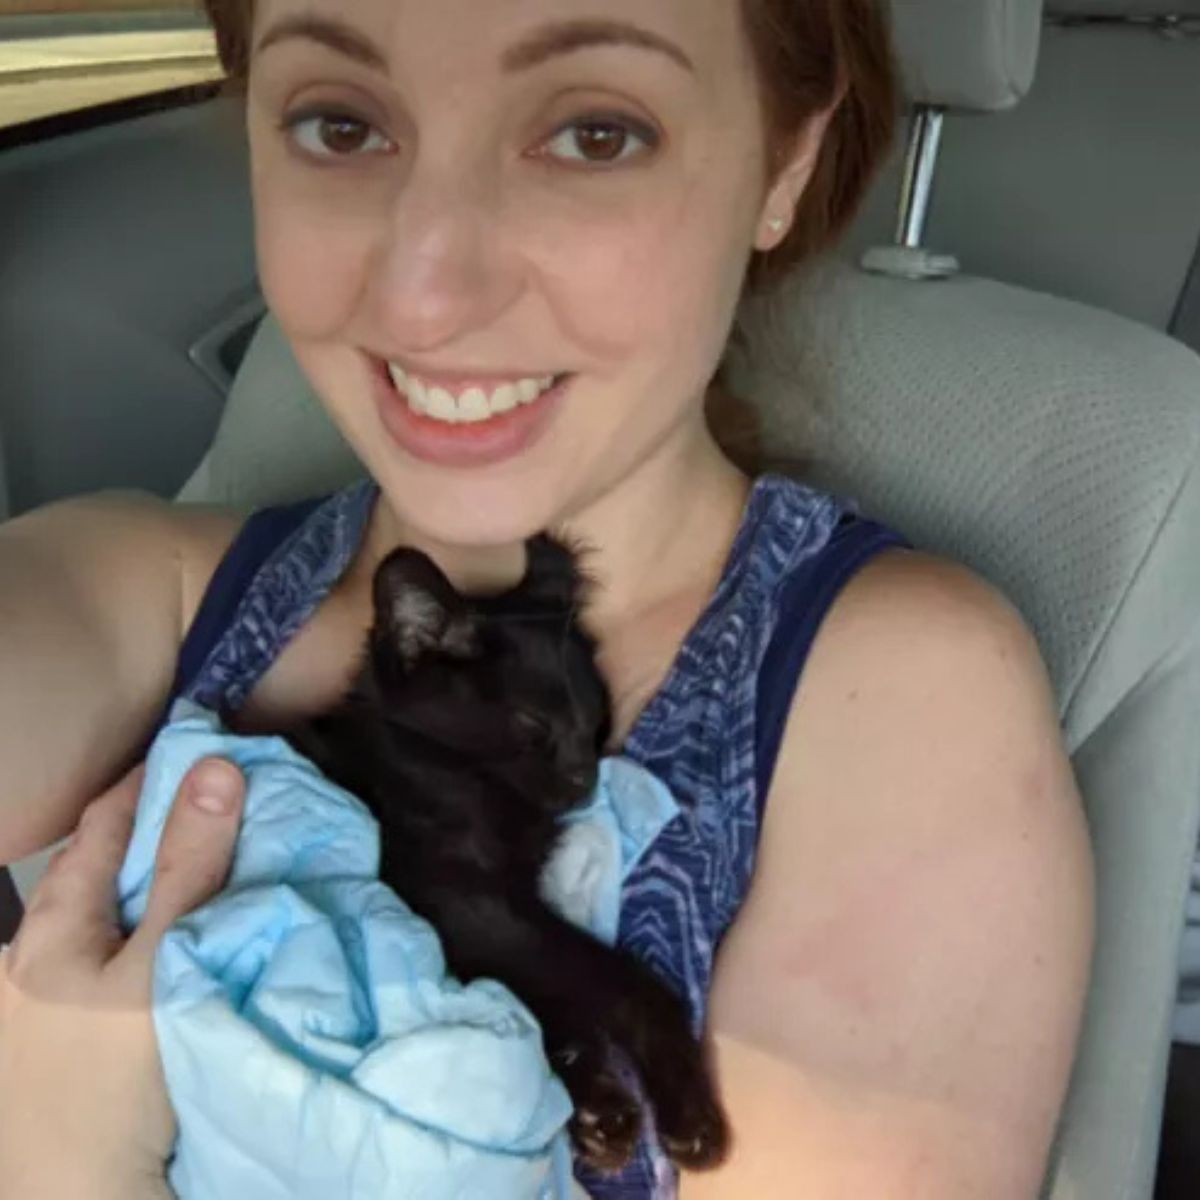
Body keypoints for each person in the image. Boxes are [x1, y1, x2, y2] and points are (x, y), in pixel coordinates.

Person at [0, 1, 1094, 1197]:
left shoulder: (897, 695)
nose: (425, 296)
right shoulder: (142, 585)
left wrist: (64, 1162)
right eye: (341, 124)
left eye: (594, 135)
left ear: (785, 159)